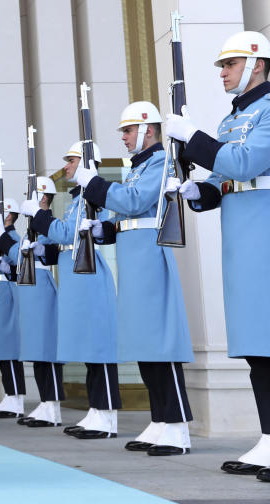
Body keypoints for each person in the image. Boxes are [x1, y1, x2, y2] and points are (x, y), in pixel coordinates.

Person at [165, 31, 270, 479]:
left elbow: (246, 163)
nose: (222, 73)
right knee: (255, 345)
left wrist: (193, 136)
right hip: (242, 238)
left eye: (228, 64)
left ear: (257, 64)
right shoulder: (233, 119)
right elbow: (227, 179)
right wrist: (198, 190)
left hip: (264, 232)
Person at [77, 102, 194, 455]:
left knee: (160, 343)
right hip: (133, 256)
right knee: (144, 344)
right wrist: (104, 229)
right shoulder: (138, 168)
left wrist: (95, 184)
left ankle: (177, 427)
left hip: (149, 256)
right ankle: (160, 420)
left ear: (148, 130)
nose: (124, 138)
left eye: (128, 131)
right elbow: (127, 214)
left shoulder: (160, 162)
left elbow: (133, 201)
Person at [24, 141, 121, 439]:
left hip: (89, 278)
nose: (66, 166)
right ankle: (96, 410)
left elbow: (70, 233)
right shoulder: (78, 199)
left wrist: (40, 217)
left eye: (72, 160)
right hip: (76, 276)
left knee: (99, 347)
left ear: (88, 163)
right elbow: (67, 243)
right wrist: (44, 249)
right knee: (88, 349)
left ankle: (106, 415)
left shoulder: (91, 198)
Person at [10, 177, 64, 428]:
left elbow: (56, 250)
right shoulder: (31, 225)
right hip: (30, 289)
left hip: (43, 285)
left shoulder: (48, 223)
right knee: (36, 348)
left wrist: (42, 251)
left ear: (43, 197)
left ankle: (52, 406)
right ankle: (45, 401)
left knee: (47, 348)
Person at [0, 198, 26, 419]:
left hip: (8, 295)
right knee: (2, 346)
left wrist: (7, 268)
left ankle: (16, 397)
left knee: (9, 347)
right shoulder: (0, 238)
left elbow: (18, 261)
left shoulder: (10, 237)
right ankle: (10, 395)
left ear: (8, 215)